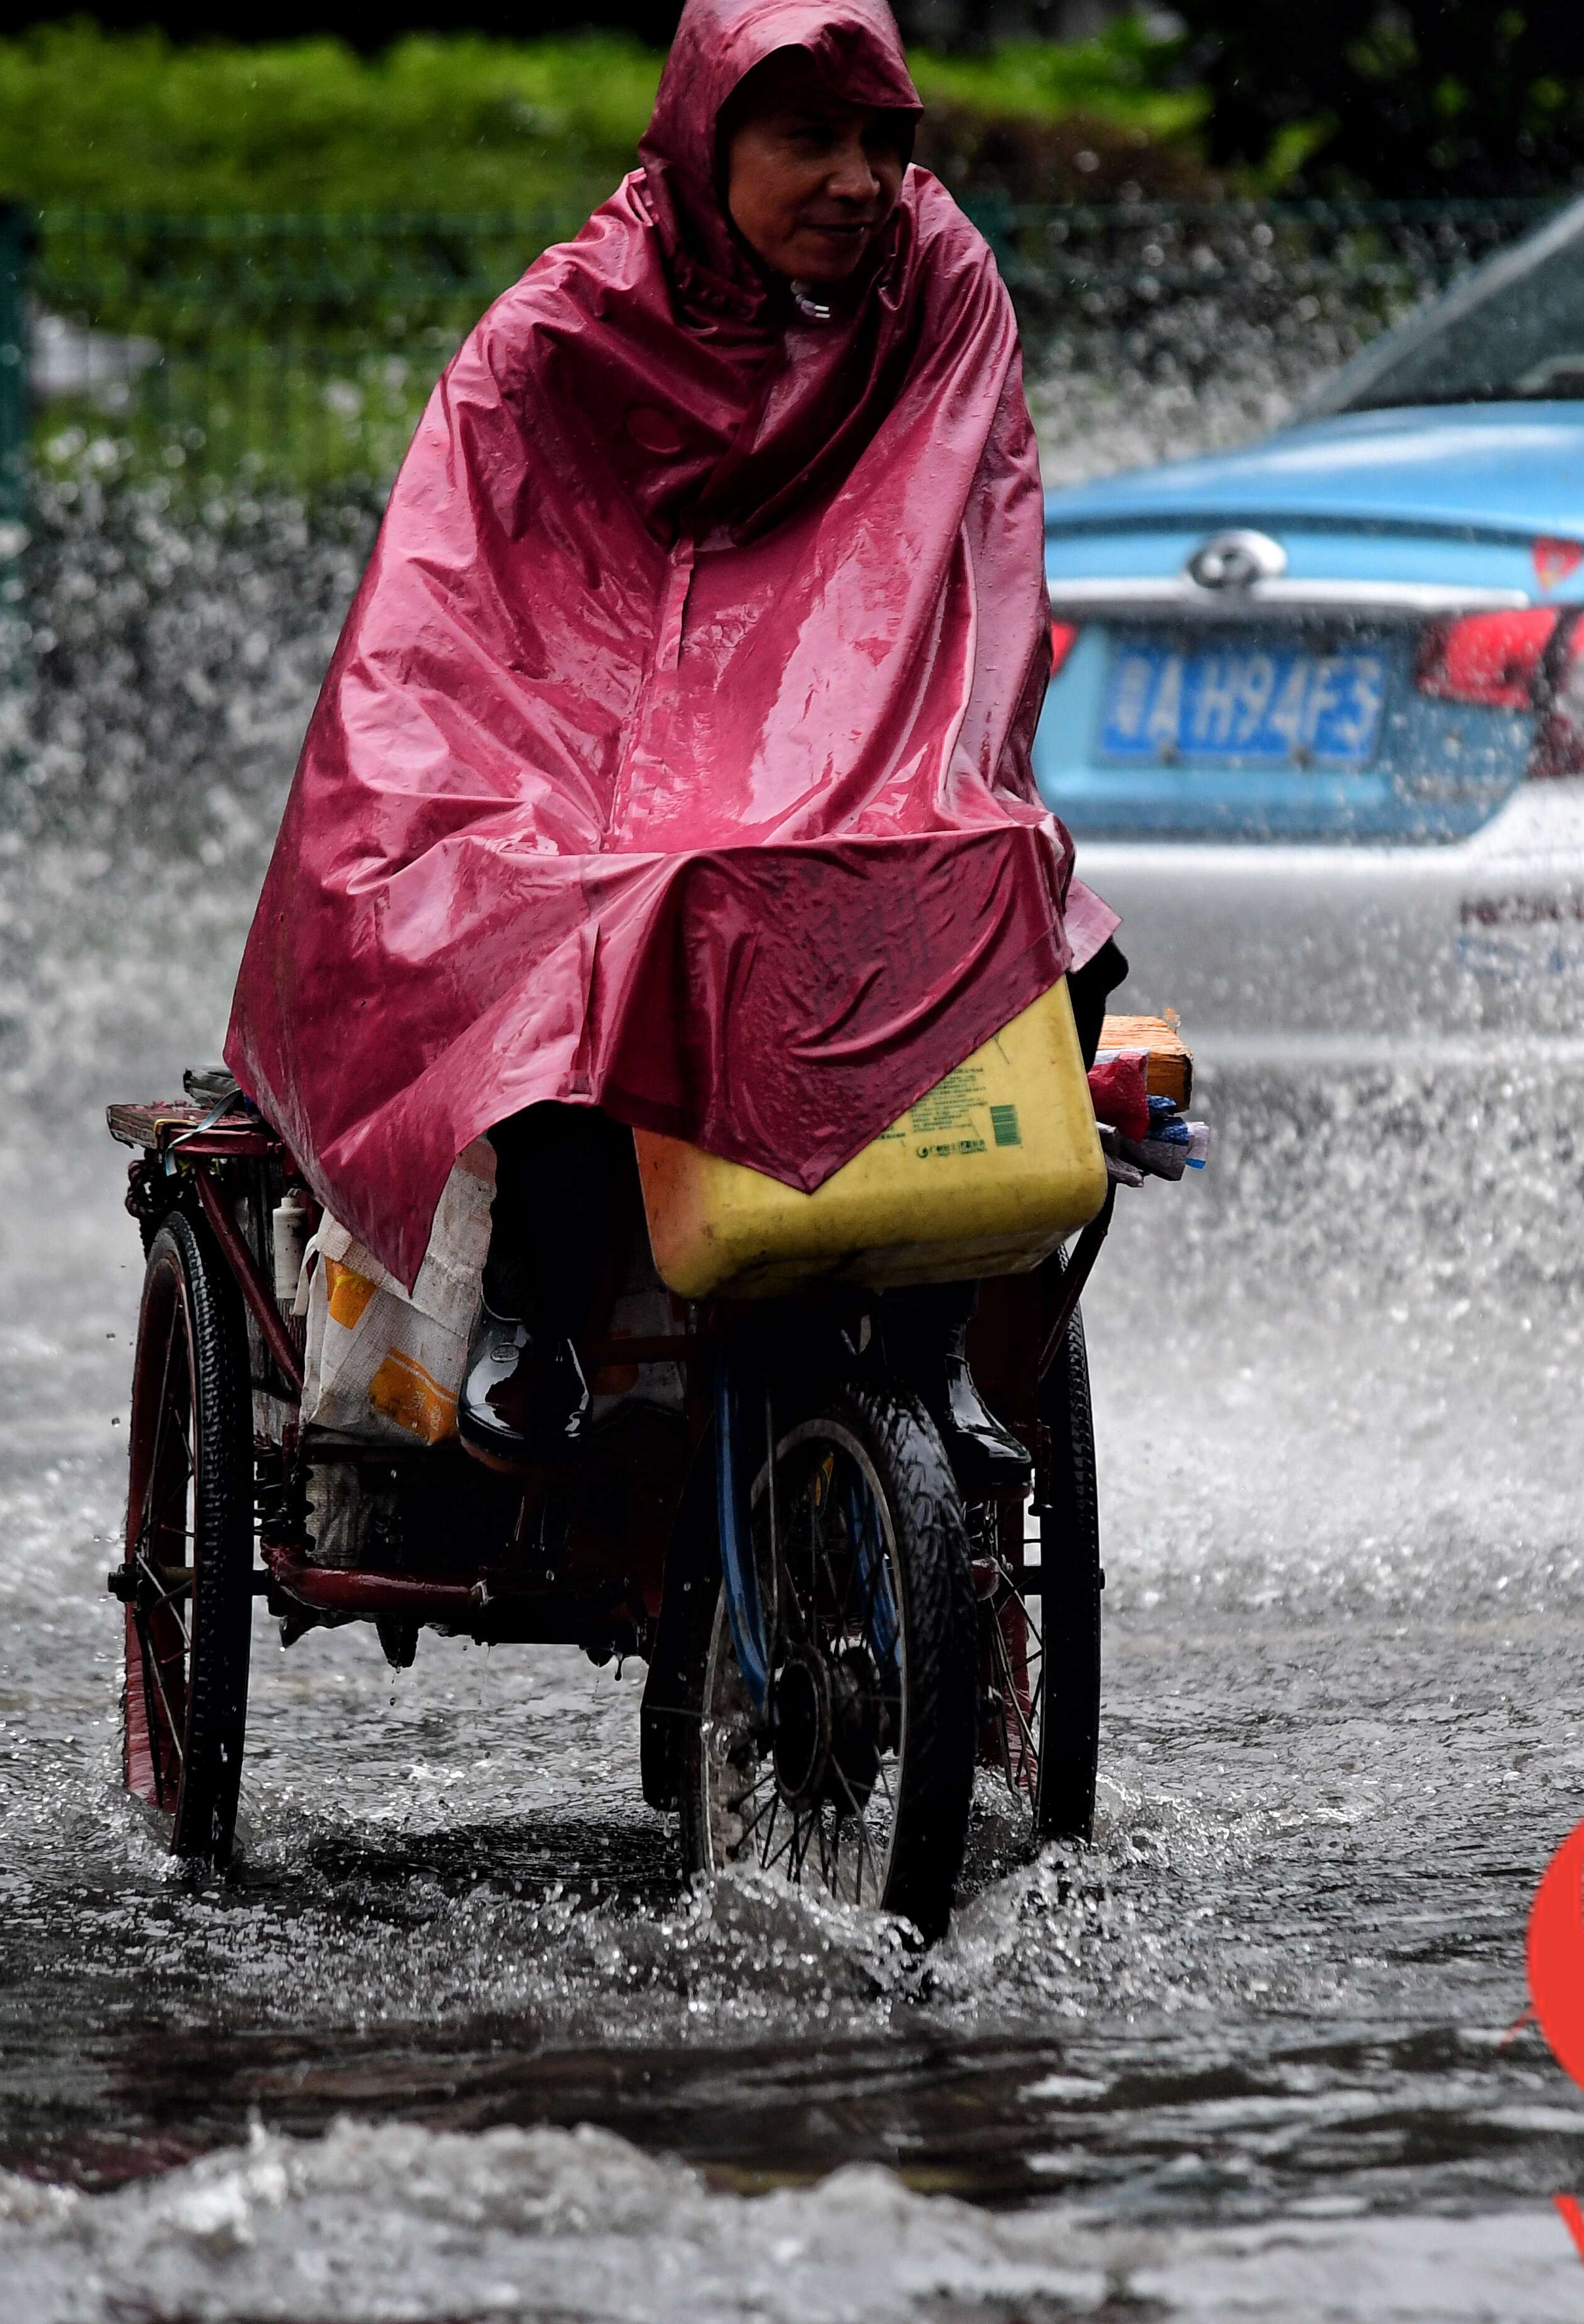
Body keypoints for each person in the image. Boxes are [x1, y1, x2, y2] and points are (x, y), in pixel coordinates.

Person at [224, 0, 1120, 1483]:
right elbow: (443, 621)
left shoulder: (940, 276)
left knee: (1030, 894)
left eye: (881, 144)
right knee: (602, 917)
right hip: (575, 759)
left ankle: (935, 1343)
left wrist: (932, 773)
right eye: (807, 139)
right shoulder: (568, 318)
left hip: (861, 736)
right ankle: (536, 1317)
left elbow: (975, 556)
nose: (855, 180)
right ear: (711, 139)